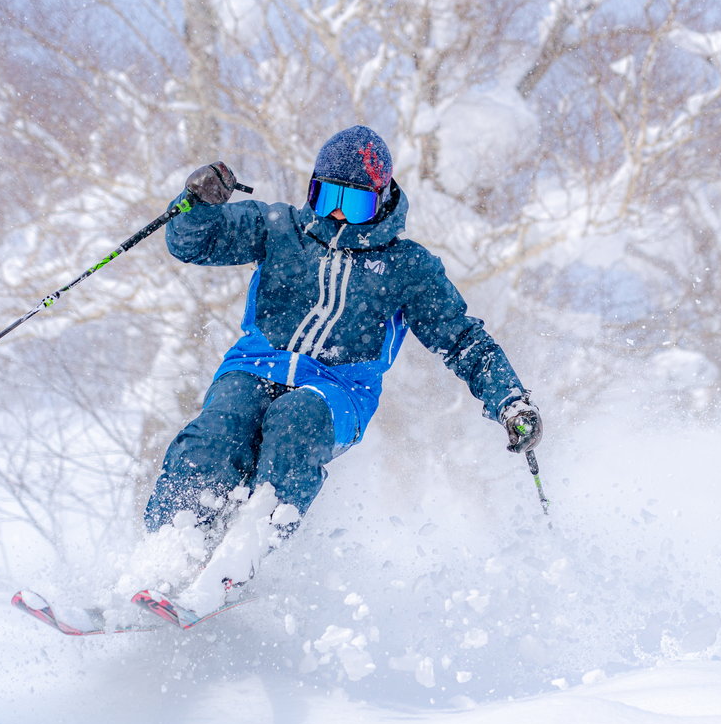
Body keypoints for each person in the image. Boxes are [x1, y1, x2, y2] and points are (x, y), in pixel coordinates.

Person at [127, 125, 542, 610]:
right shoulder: (277, 228)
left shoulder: (407, 267)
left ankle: (242, 553)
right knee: (218, 431)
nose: (341, 213)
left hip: (337, 392)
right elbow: (193, 243)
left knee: (295, 421)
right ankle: (167, 555)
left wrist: (510, 400)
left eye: (357, 202)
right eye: (328, 197)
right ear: (312, 191)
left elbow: (464, 340)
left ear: (383, 201)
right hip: (252, 367)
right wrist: (199, 203)